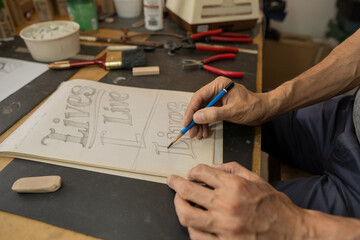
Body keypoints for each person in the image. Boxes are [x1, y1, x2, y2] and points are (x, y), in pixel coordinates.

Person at [167, 28, 360, 239]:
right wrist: (268, 103)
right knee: (227, 120)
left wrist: (298, 226)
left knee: (210, 219)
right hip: (345, 119)